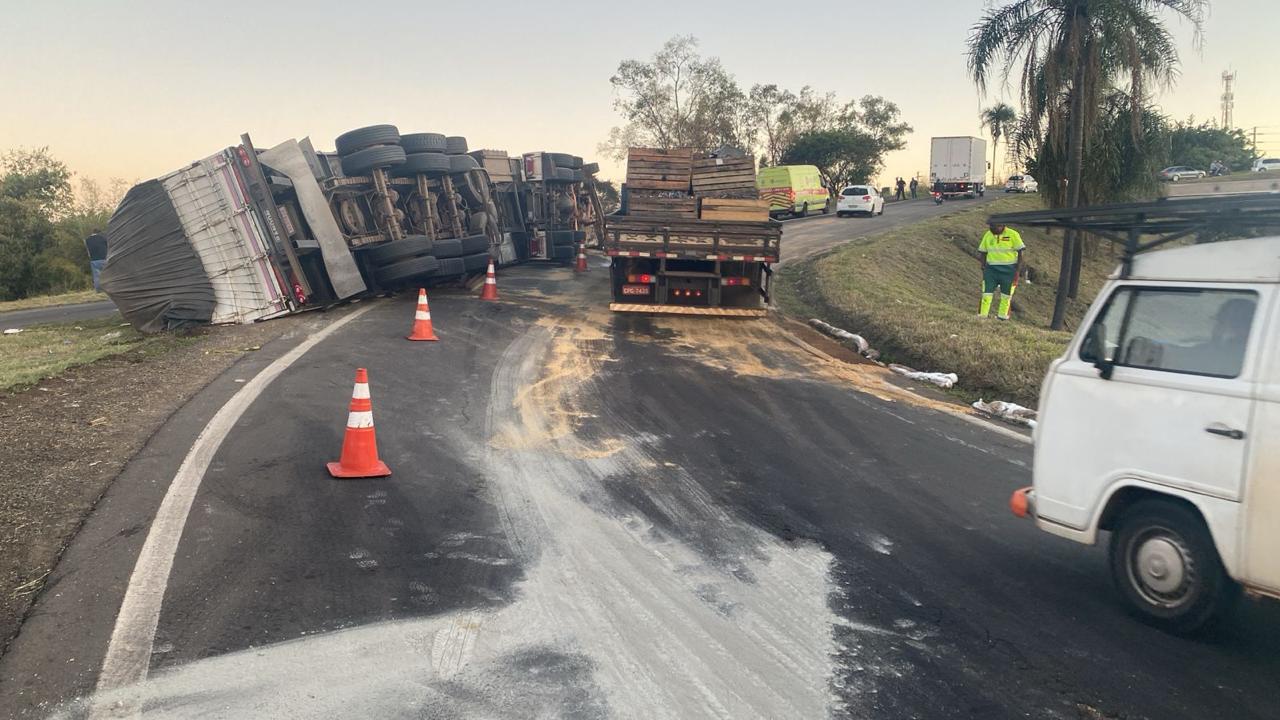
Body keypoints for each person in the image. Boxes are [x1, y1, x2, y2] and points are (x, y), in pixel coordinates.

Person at [977, 220, 1025, 320]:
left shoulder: (1013, 234)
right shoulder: (988, 235)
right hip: (991, 270)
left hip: (1009, 271)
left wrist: (1017, 270)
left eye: (994, 227)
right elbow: (983, 251)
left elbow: (1021, 252)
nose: (992, 229)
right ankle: (982, 316)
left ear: (1002, 225)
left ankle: (1002, 318)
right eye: (990, 226)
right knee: (986, 294)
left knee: (1006, 296)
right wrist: (983, 265)